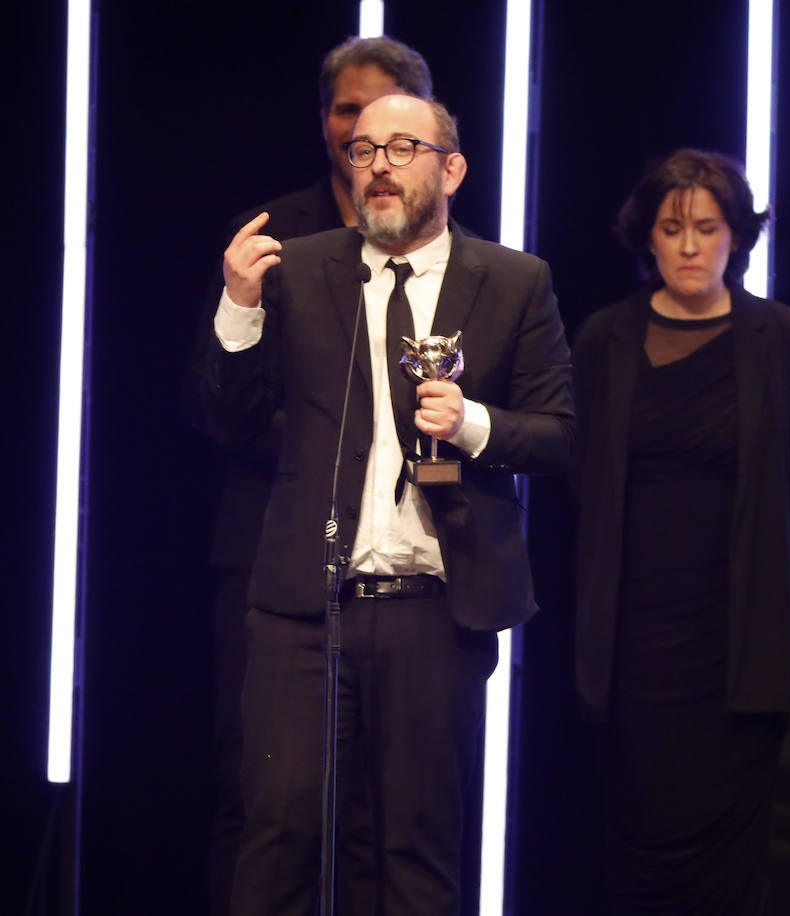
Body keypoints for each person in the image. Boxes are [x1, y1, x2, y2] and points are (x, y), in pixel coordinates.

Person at [198, 93, 574, 915]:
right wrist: (235, 310)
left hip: (434, 609)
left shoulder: (514, 281)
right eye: (363, 150)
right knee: (281, 835)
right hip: (306, 607)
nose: (377, 167)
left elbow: (557, 434)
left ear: (452, 168)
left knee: (413, 847)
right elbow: (228, 420)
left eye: (402, 148)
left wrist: (474, 423)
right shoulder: (297, 271)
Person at [198, 35, 432, 914]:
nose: (362, 137)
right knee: (264, 803)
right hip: (273, 553)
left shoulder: (470, 266)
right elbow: (221, 407)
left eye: (385, 122)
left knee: (388, 813)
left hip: (405, 575)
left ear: (425, 142)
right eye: (346, 113)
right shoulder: (272, 237)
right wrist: (239, 308)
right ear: (326, 123)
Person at [572, 149, 790, 913]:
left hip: (742, 633)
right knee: (637, 840)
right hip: (633, 637)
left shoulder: (780, 337)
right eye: (672, 227)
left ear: (737, 238)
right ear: (646, 236)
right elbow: (577, 474)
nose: (689, 246)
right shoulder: (602, 340)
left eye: (707, 228)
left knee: (734, 861)